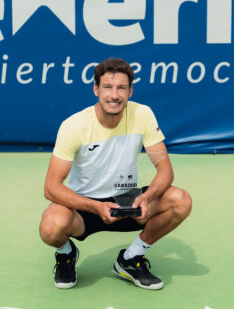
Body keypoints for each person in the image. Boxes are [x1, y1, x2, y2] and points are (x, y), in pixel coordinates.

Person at [39, 57, 192, 290]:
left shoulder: (143, 115)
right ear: (96, 90)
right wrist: (96, 207)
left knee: (181, 200)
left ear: (130, 91)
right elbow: (51, 187)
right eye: (107, 88)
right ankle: (66, 254)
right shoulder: (74, 126)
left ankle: (131, 258)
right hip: (84, 205)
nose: (114, 95)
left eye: (121, 88)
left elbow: (165, 171)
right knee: (51, 226)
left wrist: (147, 198)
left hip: (126, 201)